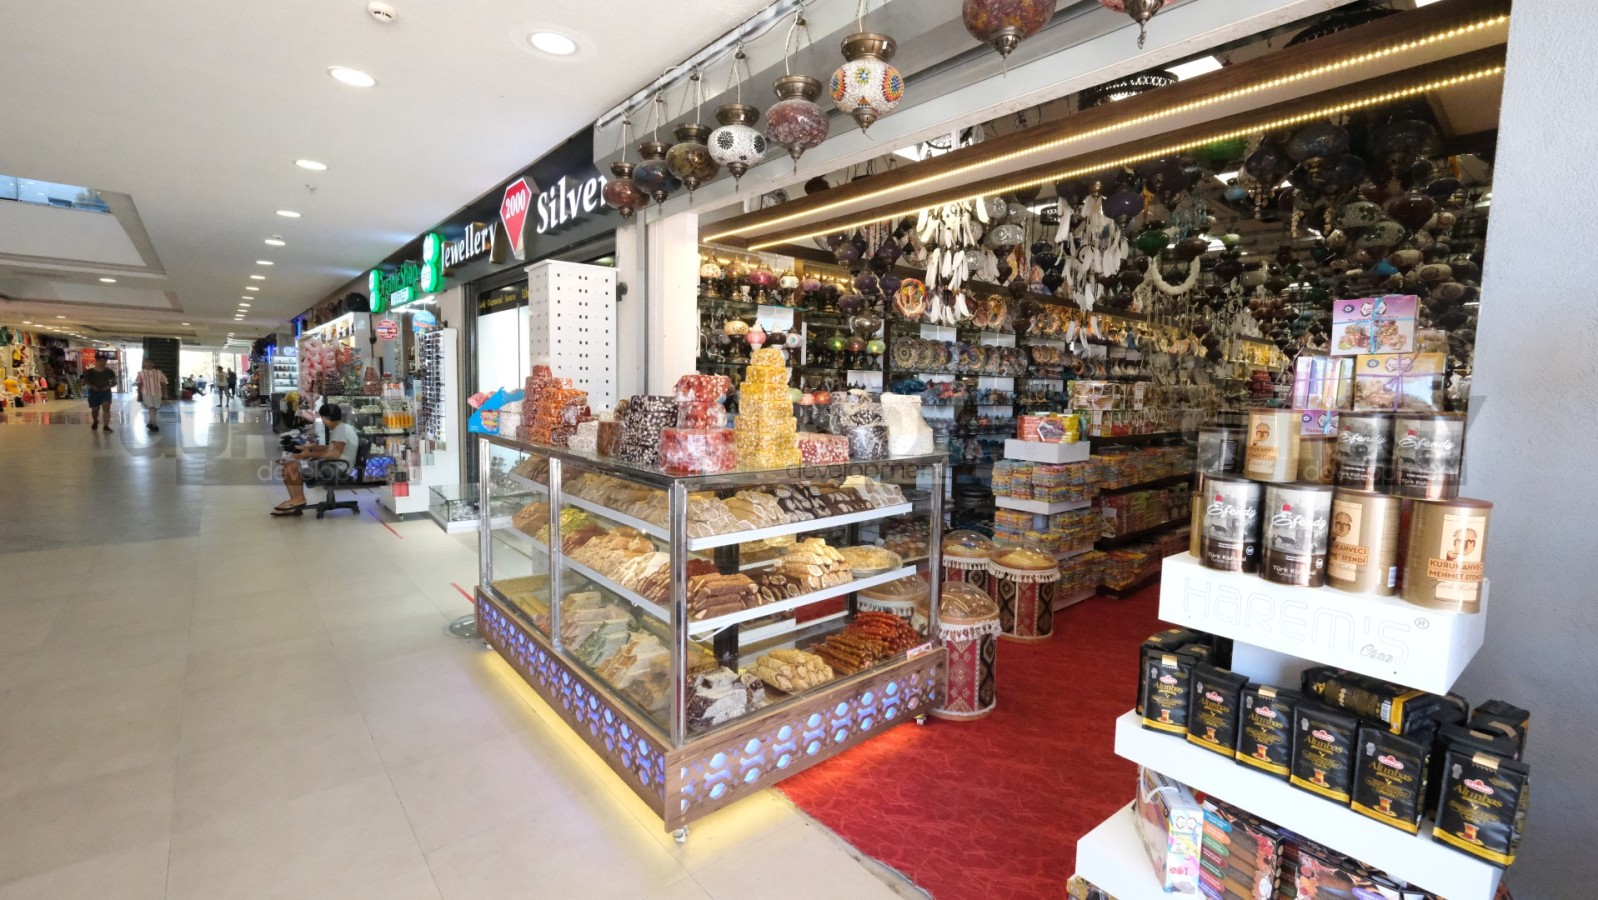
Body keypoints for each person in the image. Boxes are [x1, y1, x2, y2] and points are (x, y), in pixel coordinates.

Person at [274, 403, 358, 516]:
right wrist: (311, 447)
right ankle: (295, 500)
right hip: (335, 465)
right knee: (288, 466)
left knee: (292, 466)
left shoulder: (340, 430)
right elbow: (331, 448)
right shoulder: (343, 428)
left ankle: (299, 499)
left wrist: (310, 454)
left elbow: (335, 454)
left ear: (325, 418)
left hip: (336, 468)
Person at [83, 357, 116, 432]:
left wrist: (108, 386)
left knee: (106, 407)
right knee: (95, 409)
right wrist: (93, 386)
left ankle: (106, 425)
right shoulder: (90, 371)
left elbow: (114, 382)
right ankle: (95, 421)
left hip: (106, 392)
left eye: (105, 361)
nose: (103, 362)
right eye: (101, 361)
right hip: (94, 393)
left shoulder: (109, 371)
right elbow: (85, 381)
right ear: (97, 361)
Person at [134, 358, 168, 432]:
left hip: (157, 393)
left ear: (153, 364)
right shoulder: (140, 373)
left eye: (151, 362)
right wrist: (139, 395)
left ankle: (150, 423)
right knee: (151, 408)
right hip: (146, 393)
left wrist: (165, 393)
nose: (149, 364)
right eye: (147, 362)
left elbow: (164, 383)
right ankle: (154, 424)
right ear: (144, 364)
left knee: (155, 408)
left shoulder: (159, 373)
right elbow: (139, 384)